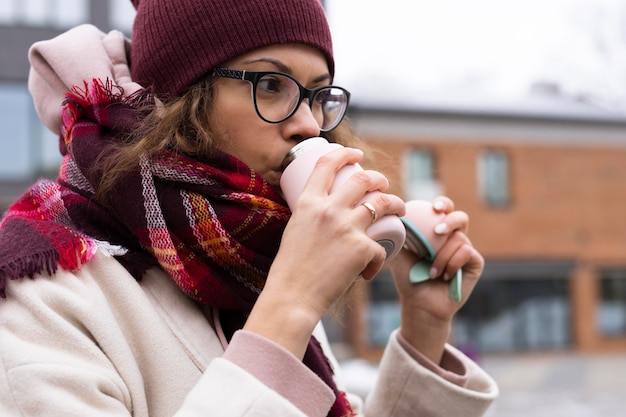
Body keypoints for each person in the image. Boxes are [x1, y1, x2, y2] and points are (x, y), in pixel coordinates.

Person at [0, 0, 498, 416]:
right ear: (180, 104)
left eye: (317, 94)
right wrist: (292, 303)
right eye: (270, 85)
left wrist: (424, 328)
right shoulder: (40, 293)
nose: (308, 124)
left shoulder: (247, 261)